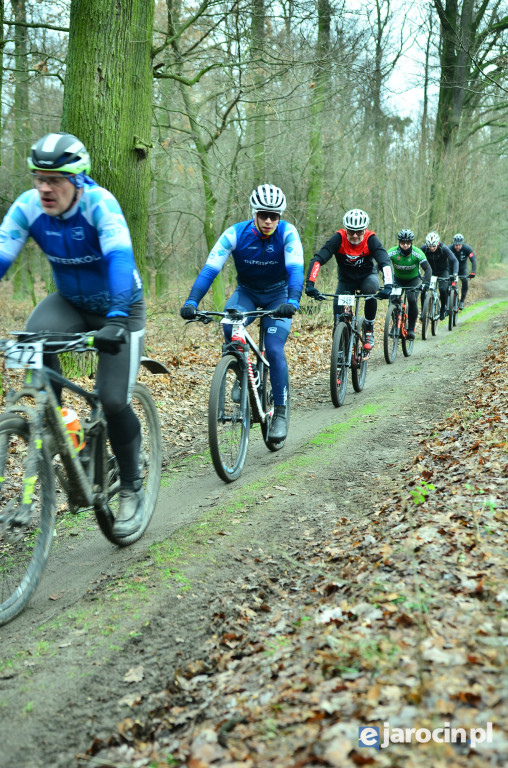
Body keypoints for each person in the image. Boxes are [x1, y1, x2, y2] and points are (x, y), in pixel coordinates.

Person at [0, 132, 146, 538]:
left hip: (121, 309)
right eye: (38, 177)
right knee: (32, 341)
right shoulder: (29, 207)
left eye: (56, 178)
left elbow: (120, 257)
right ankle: (71, 436)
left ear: (78, 178)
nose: (45, 187)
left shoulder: (101, 204)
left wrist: (116, 317)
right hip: (69, 303)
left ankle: (131, 486)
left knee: (113, 399)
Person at [180, 183, 304, 441]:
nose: (269, 221)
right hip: (246, 293)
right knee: (228, 325)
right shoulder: (235, 233)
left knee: (273, 347)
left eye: (274, 216)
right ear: (254, 213)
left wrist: (292, 301)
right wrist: (192, 302)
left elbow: (295, 270)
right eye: (264, 215)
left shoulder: (288, 234)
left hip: (278, 295)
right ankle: (243, 372)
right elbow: (210, 270)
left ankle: (280, 412)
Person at [305, 208, 392, 350]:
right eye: (351, 231)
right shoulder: (338, 238)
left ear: (365, 230)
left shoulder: (371, 239)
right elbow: (318, 259)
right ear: (346, 230)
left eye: (359, 231)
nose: (356, 235)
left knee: (370, 291)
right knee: (338, 318)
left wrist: (388, 285)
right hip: (346, 281)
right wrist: (310, 283)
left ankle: (369, 327)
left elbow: (385, 262)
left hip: (367, 277)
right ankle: (340, 350)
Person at [387, 229, 432, 340]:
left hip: (413, 280)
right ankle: (395, 324)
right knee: (393, 299)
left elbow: (428, 269)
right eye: (403, 243)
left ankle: (411, 329)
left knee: (412, 299)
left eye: (408, 243)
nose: (405, 245)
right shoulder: (392, 252)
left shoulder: (417, 253)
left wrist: (425, 283)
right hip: (397, 279)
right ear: (399, 242)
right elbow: (381, 265)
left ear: (411, 242)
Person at [420, 232, 459, 321]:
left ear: (438, 243)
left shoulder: (443, 248)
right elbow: (416, 258)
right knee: (423, 289)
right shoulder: (423, 248)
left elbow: (454, 260)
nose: (432, 248)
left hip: (443, 271)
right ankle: (423, 311)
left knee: (442, 289)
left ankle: (442, 309)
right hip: (430, 271)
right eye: (429, 246)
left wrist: (455, 274)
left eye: (434, 246)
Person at [448, 233, 477, 309]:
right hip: (451, 269)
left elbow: (473, 260)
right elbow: (443, 259)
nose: (457, 247)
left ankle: (461, 301)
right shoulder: (449, 248)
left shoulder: (467, 249)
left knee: (465, 282)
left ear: (462, 244)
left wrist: (473, 272)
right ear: (453, 244)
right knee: (446, 284)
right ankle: (449, 302)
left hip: (462, 269)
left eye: (459, 245)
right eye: (456, 245)